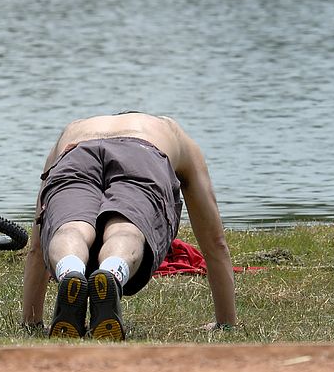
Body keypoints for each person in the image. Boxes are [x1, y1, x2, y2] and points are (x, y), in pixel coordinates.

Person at [22, 111, 238, 340]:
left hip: (75, 152)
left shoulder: (74, 127)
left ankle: (70, 270)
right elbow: (215, 242)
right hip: (142, 153)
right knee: (125, 229)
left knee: (70, 229)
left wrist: (31, 322)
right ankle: (111, 272)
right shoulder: (170, 129)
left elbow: (37, 248)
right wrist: (226, 323)